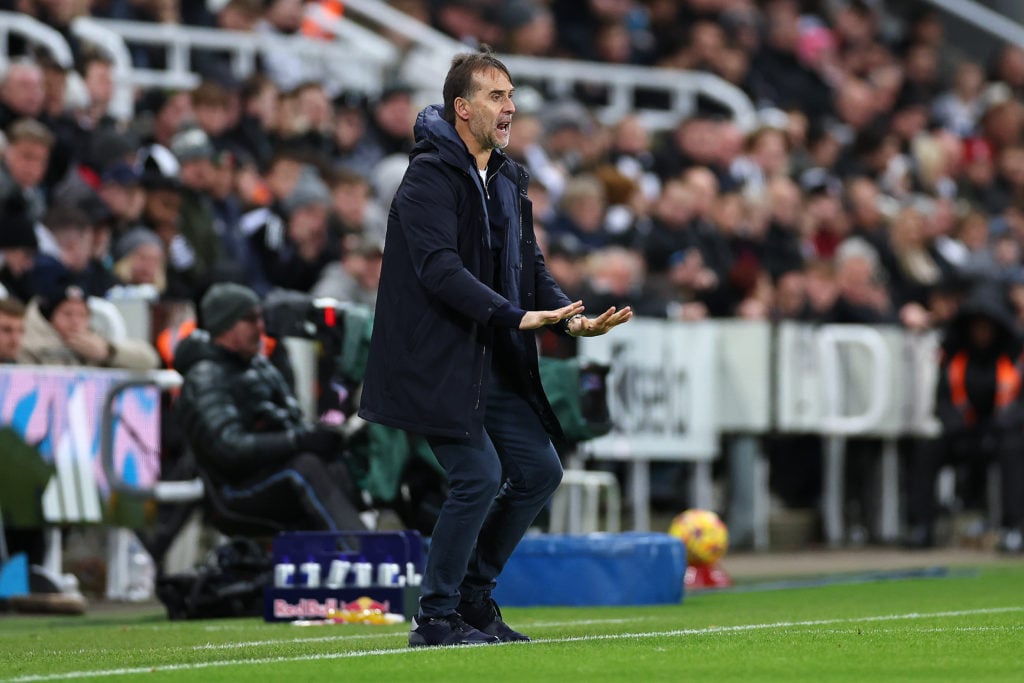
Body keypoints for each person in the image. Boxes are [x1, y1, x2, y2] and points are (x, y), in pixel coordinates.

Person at [359, 48, 632, 648]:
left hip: (490, 355)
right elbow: (438, 270)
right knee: (478, 476)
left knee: (538, 470)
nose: (508, 107)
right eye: (495, 96)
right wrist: (514, 316)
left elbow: (527, 263)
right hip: (437, 359)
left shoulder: (508, 176)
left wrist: (567, 318)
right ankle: (434, 618)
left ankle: (473, 602)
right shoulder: (428, 176)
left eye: (510, 96)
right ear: (462, 108)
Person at [173, 282, 367, 534]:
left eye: (260, 318)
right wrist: (296, 441)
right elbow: (228, 447)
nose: (260, 328)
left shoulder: (259, 366)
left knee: (342, 460)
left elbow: (292, 421)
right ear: (225, 325)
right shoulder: (205, 376)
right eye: (250, 320)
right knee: (304, 468)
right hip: (236, 490)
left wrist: (320, 437)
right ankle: (364, 552)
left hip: (272, 470)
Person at [906, 282, 1024, 553]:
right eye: (977, 326)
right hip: (963, 434)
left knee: (1014, 450)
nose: (982, 332)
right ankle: (921, 525)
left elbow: (1019, 403)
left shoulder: (1013, 358)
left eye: (987, 326)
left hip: (999, 434)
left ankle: (1013, 528)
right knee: (928, 448)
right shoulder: (955, 358)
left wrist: (1006, 421)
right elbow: (942, 400)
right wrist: (953, 421)